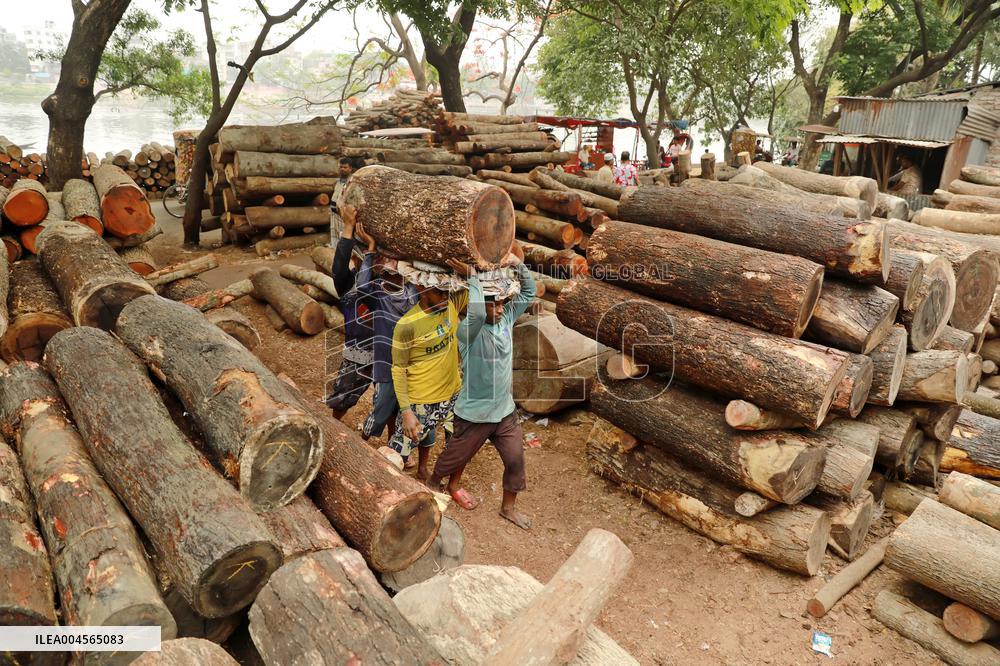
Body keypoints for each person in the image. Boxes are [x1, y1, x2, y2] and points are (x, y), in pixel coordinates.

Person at [426, 252, 535, 530]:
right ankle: (430, 489)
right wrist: (474, 280)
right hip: (474, 412)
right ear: (480, 305)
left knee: (515, 460)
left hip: (504, 411)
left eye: (501, 303)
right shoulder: (468, 332)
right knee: (452, 459)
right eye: (493, 305)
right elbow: (475, 312)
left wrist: (516, 264)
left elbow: (529, 291)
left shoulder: (506, 318)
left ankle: (508, 508)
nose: (499, 309)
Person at [388, 264, 472, 480]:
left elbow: (476, 284)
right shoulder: (407, 325)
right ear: (420, 287)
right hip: (421, 403)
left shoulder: (451, 304)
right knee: (394, 457)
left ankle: (432, 476)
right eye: (439, 292)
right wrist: (406, 412)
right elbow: (398, 369)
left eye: (447, 291)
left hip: (453, 396)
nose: (445, 296)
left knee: (456, 444)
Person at [353, 233, 419, 442]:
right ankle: (361, 441)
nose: (390, 267)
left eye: (394, 264)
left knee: (404, 410)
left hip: (411, 365)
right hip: (386, 366)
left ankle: (398, 447)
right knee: (381, 409)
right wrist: (370, 251)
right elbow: (362, 287)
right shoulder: (378, 296)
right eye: (386, 263)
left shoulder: (413, 293)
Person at [324, 204, 375, 419]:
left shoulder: (384, 282)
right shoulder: (348, 285)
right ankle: (334, 431)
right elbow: (338, 265)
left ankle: (395, 450)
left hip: (388, 351)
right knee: (342, 398)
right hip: (359, 353)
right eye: (362, 257)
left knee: (390, 404)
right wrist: (348, 227)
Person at [329, 157, 356, 243]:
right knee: (335, 238)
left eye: (345, 167)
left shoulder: (353, 182)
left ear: (350, 168)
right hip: (334, 215)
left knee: (344, 238)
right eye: (341, 167)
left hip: (344, 216)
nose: (342, 169)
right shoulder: (337, 181)